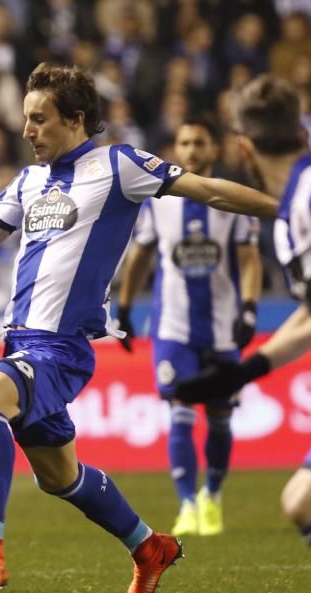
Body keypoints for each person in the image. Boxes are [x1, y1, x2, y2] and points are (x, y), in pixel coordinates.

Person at [0, 63, 278, 593]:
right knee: (60, 478)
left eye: (39, 119)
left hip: (59, 348)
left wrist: (286, 210)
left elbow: (209, 190)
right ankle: (149, 547)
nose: (27, 130)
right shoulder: (28, 181)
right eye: (25, 119)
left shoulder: (119, 165)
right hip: (21, 342)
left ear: (76, 120)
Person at [175, 75, 311, 552]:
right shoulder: (290, 212)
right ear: (300, 135)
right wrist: (243, 372)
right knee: (302, 501)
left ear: (243, 149)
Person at [115, 117, 263, 537]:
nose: (193, 149)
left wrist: (249, 309)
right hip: (172, 327)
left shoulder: (230, 201)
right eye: (185, 142)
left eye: (200, 142)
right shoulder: (158, 201)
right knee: (178, 409)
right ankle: (186, 504)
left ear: (214, 150)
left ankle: (211, 496)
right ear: (176, 149)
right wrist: (125, 308)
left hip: (220, 328)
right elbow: (140, 255)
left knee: (219, 416)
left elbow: (249, 258)